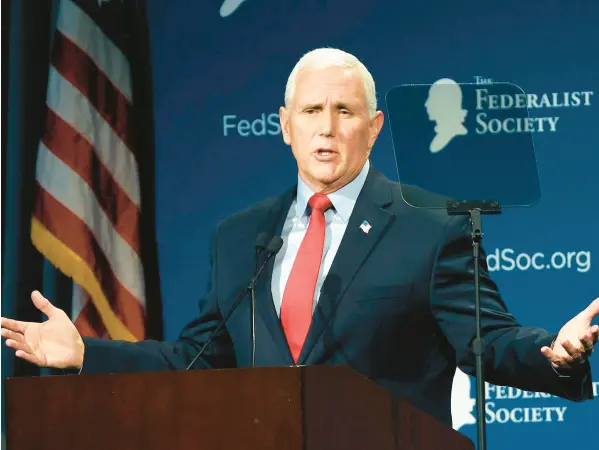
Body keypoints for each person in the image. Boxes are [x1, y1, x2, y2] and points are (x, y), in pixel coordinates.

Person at [1, 48, 597, 427]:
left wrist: (555, 355)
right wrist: (85, 353)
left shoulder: (430, 225)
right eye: (312, 111)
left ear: (374, 126)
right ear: (285, 126)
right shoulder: (240, 237)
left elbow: (486, 340)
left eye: (345, 110)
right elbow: (197, 362)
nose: (328, 128)